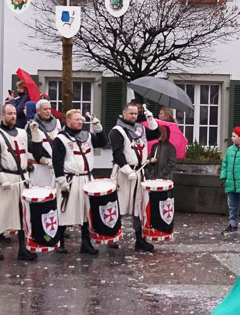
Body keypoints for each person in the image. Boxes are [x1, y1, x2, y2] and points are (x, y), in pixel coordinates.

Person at [0, 102, 36, 262]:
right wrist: (2, 179)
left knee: (22, 214)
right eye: (9, 114)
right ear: (2, 115)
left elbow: (31, 152)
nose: (13, 116)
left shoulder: (21, 133)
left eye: (14, 113)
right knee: (0, 212)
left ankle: (23, 248)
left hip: (21, 179)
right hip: (5, 180)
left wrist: (36, 134)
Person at [52, 109, 106, 255]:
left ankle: (86, 242)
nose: (80, 121)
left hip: (87, 178)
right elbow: (57, 161)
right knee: (65, 209)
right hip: (71, 179)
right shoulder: (61, 139)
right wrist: (61, 181)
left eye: (81, 119)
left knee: (87, 211)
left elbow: (102, 142)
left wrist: (98, 128)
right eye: (76, 119)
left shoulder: (87, 136)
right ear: (68, 121)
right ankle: (60, 241)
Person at [109, 101, 160, 252]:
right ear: (124, 113)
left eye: (136, 114)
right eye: (131, 113)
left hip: (139, 172)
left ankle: (140, 239)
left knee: (139, 206)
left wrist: (151, 120)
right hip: (125, 173)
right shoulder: (117, 131)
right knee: (119, 204)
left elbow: (156, 134)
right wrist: (126, 170)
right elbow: (117, 153)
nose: (133, 116)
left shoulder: (140, 128)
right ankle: (112, 236)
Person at [27, 97, 62, 188]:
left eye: (49, 108)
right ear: (38, 111)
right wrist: (45, 159)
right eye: (45, 109)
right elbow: (31, 146)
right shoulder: (32, 125)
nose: (48, 111)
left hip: (55, 166)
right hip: (39, 167)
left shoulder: (57, 123)